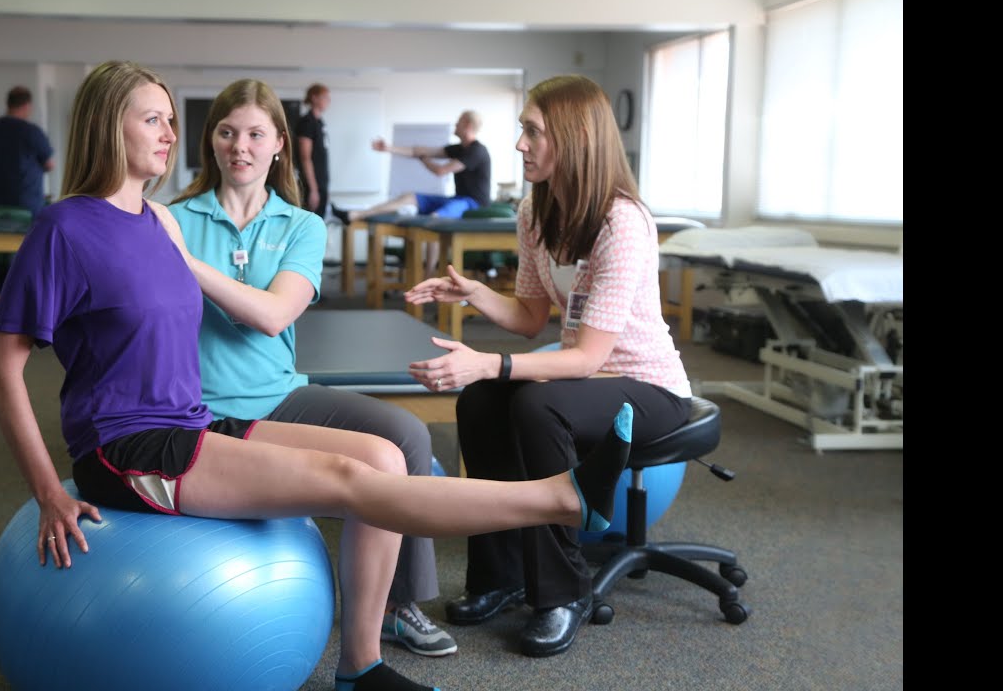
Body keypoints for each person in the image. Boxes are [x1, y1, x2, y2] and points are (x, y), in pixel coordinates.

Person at [0, 61, 637, 691]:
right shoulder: (65, 228)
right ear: (107, 125)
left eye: (172, 120)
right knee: (350, 483)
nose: (171, 134)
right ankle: (561, 498)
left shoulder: (158, 222)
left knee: (383, 456)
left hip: (194, 423)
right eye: (153, 119)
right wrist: (48, 491)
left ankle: (361, 664)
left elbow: (259, 315)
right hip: (128, 447)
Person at [402, 74, 693, 659]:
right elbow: (532, 316)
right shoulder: (536, 210)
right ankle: (501, 575)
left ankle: (564, 592)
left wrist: (488, 363)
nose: (520, 144)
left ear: (574, 137)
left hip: (650, 388)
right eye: (522, 131)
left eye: (532, 132)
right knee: (481, 401)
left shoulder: (622, 222)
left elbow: (588, 356)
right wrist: (476, 294)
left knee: (535, 403)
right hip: (588, 380)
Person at [167, 79, 457, 658]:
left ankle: (398, 605)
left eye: (255, 134)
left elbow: (274, 315)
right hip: (202, 407)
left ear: (279, 143)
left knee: (406, 434)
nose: (240, 146)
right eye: (227, 132)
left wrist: (186, 263)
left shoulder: (300, 224)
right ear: (211, 141)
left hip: (278, 395)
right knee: (377, 456)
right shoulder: (176, 218)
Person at [336, 110, 491, 275]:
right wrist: (388, 148)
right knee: (409, 197)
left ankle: (428, 276)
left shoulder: (477, 151)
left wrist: (423, 158)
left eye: (459, 121)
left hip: (473, 204)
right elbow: (417, 150)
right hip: (457, 199)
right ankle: (356, 214)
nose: (456, 124)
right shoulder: (458, 149)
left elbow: (441, 170)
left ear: (467, 125)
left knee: (435, 219)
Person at [0, 85, 56, 216]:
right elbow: (50, 165)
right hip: (28, 206)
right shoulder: (32, 132)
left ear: (8, 104)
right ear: (27, 106)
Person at [294, 83, 331, 219]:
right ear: (314, 98)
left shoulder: (320, 123)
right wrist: (314, 190)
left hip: (321, 184)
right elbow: (305, 158)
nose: (328, 101)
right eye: (325, 97)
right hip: (311, 187)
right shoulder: (307, 123)